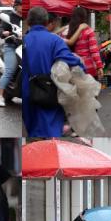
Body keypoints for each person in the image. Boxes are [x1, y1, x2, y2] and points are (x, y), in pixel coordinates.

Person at [22, 7, 83, 137]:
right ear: (47, 22)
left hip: (28, 92)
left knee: (33, 132)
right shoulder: (55, 40)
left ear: (28, 21)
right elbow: (70, 60)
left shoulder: (24, 40)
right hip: (50, 92)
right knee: (51, 132)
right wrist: (81, 65)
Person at [0, 0, 24, 107]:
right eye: (22, 5)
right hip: (11, 46)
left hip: (25, 46)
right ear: (16, 5)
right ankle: (1, 96)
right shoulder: (9, 16)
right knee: (9, 70)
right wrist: (5, 32)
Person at [64, 7, 104, 81]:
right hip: (88, 68)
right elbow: (94, 51)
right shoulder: (88, 31)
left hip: (73, 67)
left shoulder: (68, 31)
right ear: (84, 17)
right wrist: (99, 66)